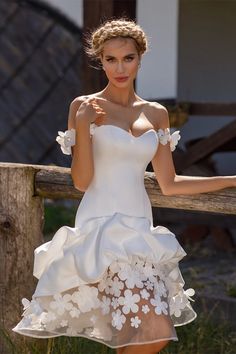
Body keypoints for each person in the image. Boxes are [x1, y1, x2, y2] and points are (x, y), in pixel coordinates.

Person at [13, 18, 236, 354]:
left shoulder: (157, 113)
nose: (119, 67)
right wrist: (85, 125)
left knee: (142, 332)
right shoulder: (83, 106)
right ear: (100, 61)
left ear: (140, 58)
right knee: (154, 330)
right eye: (110, 59)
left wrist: (232, 179)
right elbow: (81, 181)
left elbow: (169, 183)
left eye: (127, 58)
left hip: (140, 231)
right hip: (102, 228)